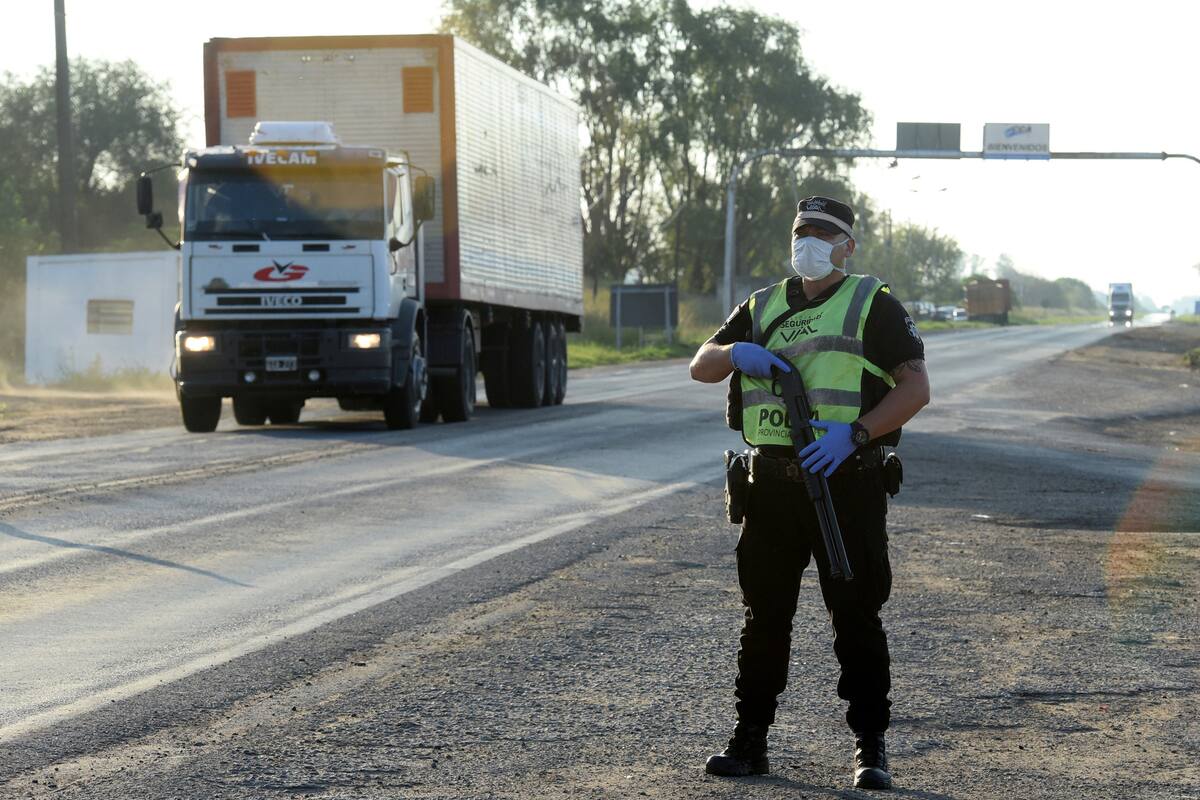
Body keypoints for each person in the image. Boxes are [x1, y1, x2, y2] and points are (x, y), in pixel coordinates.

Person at [689, 196, 930, 790]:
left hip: (848, 481)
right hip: (772, 487)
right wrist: (733, 352)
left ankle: (870, 748)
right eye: (802, 231)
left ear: (848, 245)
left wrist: (856, 434)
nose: (810, 242)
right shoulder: (763, 304)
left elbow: (916, 387)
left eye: (824, 233)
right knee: (764, 618)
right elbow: (701, 365)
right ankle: (750, 742)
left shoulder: (873, 305)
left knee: (856, 617)